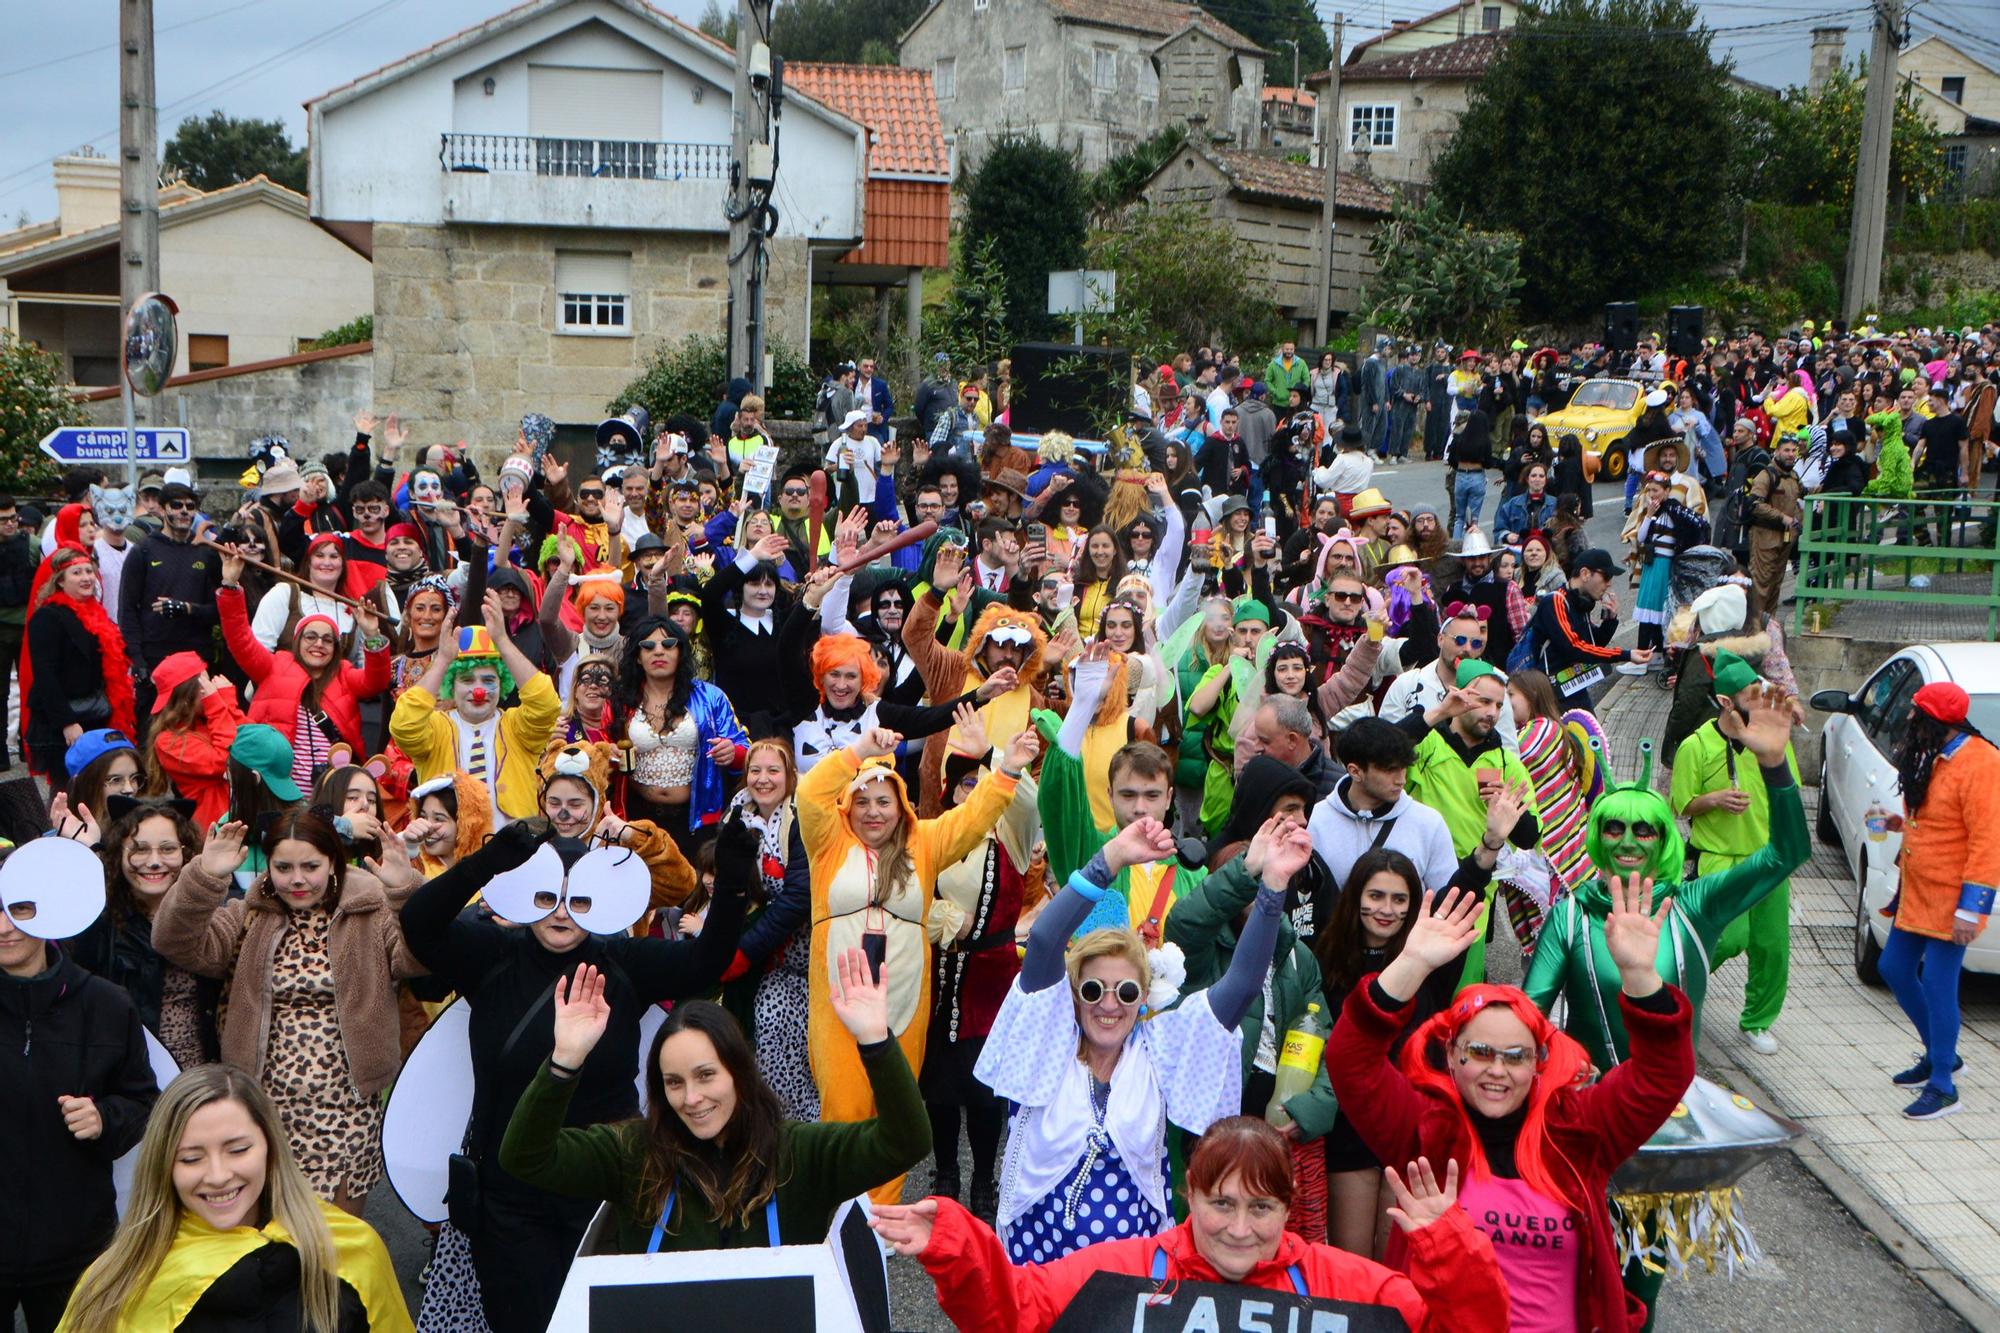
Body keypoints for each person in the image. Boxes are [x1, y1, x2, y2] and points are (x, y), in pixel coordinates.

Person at [396, 817, 749, 1331]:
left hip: (607, 1181)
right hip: (508, 1191)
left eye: (580, 900)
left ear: (605, 900)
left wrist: (736, 884)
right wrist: (487, 862)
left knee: (607, 1320)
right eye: (546, 897)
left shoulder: (624, 961)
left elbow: (706, 963)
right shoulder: (490, 955)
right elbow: (420, 924)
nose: (562, 913)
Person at [1330, 880, 1694, 1333]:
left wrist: (1641, 977)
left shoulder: (1577, 1134)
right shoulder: (1423, 1133)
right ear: (1450, 1056)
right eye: (1480, 1052)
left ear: (1539, 1062)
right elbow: (1351, 1061)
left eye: (1515, 1056)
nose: (1497, 1071)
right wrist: (1410, 964)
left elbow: (1664, 1074)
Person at [973, 815, 1307, 1263]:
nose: (1109, 1004)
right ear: (1073, 994)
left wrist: (1273, 886)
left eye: (1126, 991)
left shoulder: (1161, 1049)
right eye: (1093, 989)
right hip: (1034, 1262)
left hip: (1130, 1273)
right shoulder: (1045, 1035)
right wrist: (1109, 860)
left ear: (1144, 997)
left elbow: (1244, 984)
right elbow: (1046, 940)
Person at [874, 1115, 1509, 1333]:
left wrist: (1449, 1247)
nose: (1239, 1228)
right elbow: (1015, 1313)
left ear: (1290, 1210)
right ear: (1188, 1196)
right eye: (1222, 1203)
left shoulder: (1351, 1286)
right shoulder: (1117, 1271)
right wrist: (957, 1244)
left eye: (1261, 1208)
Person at [500, 945, 930, 1253]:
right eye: (673, 1082)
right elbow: (525, 1157)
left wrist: (876, 1042)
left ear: (739, 1073)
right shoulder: (632, 1153)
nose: (691, 1098)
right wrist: (564, 1061)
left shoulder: (801, 1151)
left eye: (706, 1075)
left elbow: (906, 1141)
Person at [795, 725, 1035, 1201]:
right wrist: (860, 751)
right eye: (862, 801)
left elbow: (972, 819)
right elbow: (808, 792)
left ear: (901, 805)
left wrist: (1005, 767)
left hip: (903, 1003)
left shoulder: (922, 842)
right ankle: (838, 1215)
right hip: (839, 1004)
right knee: (844, 1110)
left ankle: (879, 1228)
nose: (873, 811)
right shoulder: (827, 843)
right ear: (847, 807)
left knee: (896, 1116)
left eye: (884, 801)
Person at [152, 813, 421, 1214]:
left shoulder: (369, 910)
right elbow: (176, 943)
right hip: (263, 1106)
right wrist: (204, 877)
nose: (297, 879)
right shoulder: (251, 913)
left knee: (335, 1250)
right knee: (265, 1244)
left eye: (310, 866)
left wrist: (404, 892)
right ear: (267, 866)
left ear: (333, 862)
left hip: (346, 1107)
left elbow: (416, 961)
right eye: (283, 867)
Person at [57, 1064, 412, 1333]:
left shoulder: (351, 1249)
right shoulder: (122, 1280)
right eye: (191, 1158)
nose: (218, 1175)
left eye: (238, 1149)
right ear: (163, 1166)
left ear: (270, 1148)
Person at [0, 840, 159, 1333]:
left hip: (74, 1242)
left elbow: (143, 1100)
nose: (5, 927)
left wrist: (104, 1118)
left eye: (18, 908)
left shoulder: (108, 1005)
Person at [1878, 682, 2000, 1119]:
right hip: (1917, 891)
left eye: (1915, 713)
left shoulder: (1983, 762)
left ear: (1936, 721)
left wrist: (1972, 910)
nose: (1909, 720)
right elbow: (1939, 820)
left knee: (1938, 984)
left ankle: (1944, 1084)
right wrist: (1900, 823)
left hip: (1952, 901)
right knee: (1892, 967)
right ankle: (1939, 1053)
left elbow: (1988, 841)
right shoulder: (1934, 751)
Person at [1670, 650, 1799, 1056]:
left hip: (1769, 858)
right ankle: (1670, 991)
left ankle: (1757, 1021)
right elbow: (1680, 805)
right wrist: (1713, 799)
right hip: (1720, 858)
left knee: (1772, 946)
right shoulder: (1696, 745)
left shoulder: (1772, 740)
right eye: (1749, 693)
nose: (1759, 699)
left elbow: (1788, 793)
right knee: (1727, 939)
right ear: (1726, 702)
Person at [219, 553, 389, 792]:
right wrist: (230, 587)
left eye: (328, 640)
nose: (319, 644)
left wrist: (372, 635)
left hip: (329, 791)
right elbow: (240, 639)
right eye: (311, 637)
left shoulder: (344, 672)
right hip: (277, 787)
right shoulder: (273, 665)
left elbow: (376, 682)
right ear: (297, 641)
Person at [70, 798, 216, 1068]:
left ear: (186, 853)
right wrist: (85, 857)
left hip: (199, 1076)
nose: (154, 862)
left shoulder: (208, 914)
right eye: (139, 849)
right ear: (118, 852)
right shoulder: (99, 920)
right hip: (129, 1076)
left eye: (168, 849)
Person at [391, 607, 562, 827]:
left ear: (502, 684)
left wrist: (503, 643)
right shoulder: (435, 729)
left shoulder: (517, 727)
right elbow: (404, 724)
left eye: (489, 680)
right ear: (451, 685)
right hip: (450, 857)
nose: (479, 690)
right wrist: (443, 660)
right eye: (467, 680)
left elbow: (546, 704)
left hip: (514, 856)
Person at [23, 546, 135, 778]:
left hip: (95, 714)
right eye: (76, 573)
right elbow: (45, 675)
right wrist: (66, 723)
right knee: (68, 788)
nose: (86, 578)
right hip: (67, 718)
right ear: (60, 581)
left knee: (95, 786)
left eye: (89, 571)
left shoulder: (97, 612)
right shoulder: (48, 616)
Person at [145, 655, 247, 830]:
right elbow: (225, 761)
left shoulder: (211, 718)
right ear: (185, 699)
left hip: (244, 815)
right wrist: (217, 704)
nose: (212, 690)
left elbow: (254, 744)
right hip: (216, 827)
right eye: (206, 687)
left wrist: (229, 706)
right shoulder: (167, 741)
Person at [1744, 433, 1804, 619]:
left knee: (1776, 584)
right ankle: (1753, 629)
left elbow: (1801, 497)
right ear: (1777, 452)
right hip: (1765, 536)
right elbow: (1754, 504)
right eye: (1786, 450)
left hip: (1785, 538)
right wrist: (1782, 517)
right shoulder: (1766, 475)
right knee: (1761, 584)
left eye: (1794, 450)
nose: (1790, 454)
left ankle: (1769, 629)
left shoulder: (1793, 476)